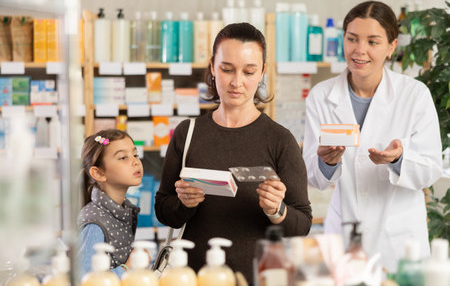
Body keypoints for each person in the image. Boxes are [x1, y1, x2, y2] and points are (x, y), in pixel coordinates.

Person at [155, 22, 312, 283]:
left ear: (262, 72)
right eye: (227, 69)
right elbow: (163, 209)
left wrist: (277, 210)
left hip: (257, 277)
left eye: (249, 71)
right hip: (193, 278)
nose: (236, 82)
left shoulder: (280, 140)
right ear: (213, 68)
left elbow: (302, 224)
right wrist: (184, 204)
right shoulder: (187, 133)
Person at [303, 1, 442, 272]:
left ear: (391, 47)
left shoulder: (414, 95)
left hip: (400, 241)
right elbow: (312, 175)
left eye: (373, 41)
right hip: (344, 236)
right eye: (352, 39)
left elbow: (431, 169)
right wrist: (326, 162)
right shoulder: (321, 96)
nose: (360, 50)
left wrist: (399, 159)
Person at [77, 129, 144, 278]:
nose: (135, 162)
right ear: (99, 173)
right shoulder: (94, 223)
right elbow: (85, 280)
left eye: (135, 154)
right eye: (122, 157)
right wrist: (127, 268)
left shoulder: (123, 210)